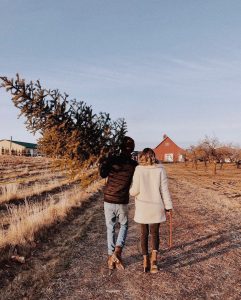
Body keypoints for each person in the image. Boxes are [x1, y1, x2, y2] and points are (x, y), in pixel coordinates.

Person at [129, 148, 173, 273]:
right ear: (153, 157)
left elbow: (134, 191)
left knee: (144, 234)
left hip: (143, 207)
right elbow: (164, 190)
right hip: (156, 207)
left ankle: (145, 261)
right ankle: (154, 261)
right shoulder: (160, 170)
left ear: (142, 157)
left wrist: (130, 191)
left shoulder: (138, 170)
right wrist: (168, 207)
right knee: (155, 234)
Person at [99, 136, 137, 270]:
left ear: (120, 147)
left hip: (108, 198)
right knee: (124, 225)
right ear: (132, 150)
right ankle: (117, 252)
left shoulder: (112, 160)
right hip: (122, 200)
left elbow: (102, 174)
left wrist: (104, 161)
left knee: (110, 227)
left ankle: (111, 257)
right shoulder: (133, 165)